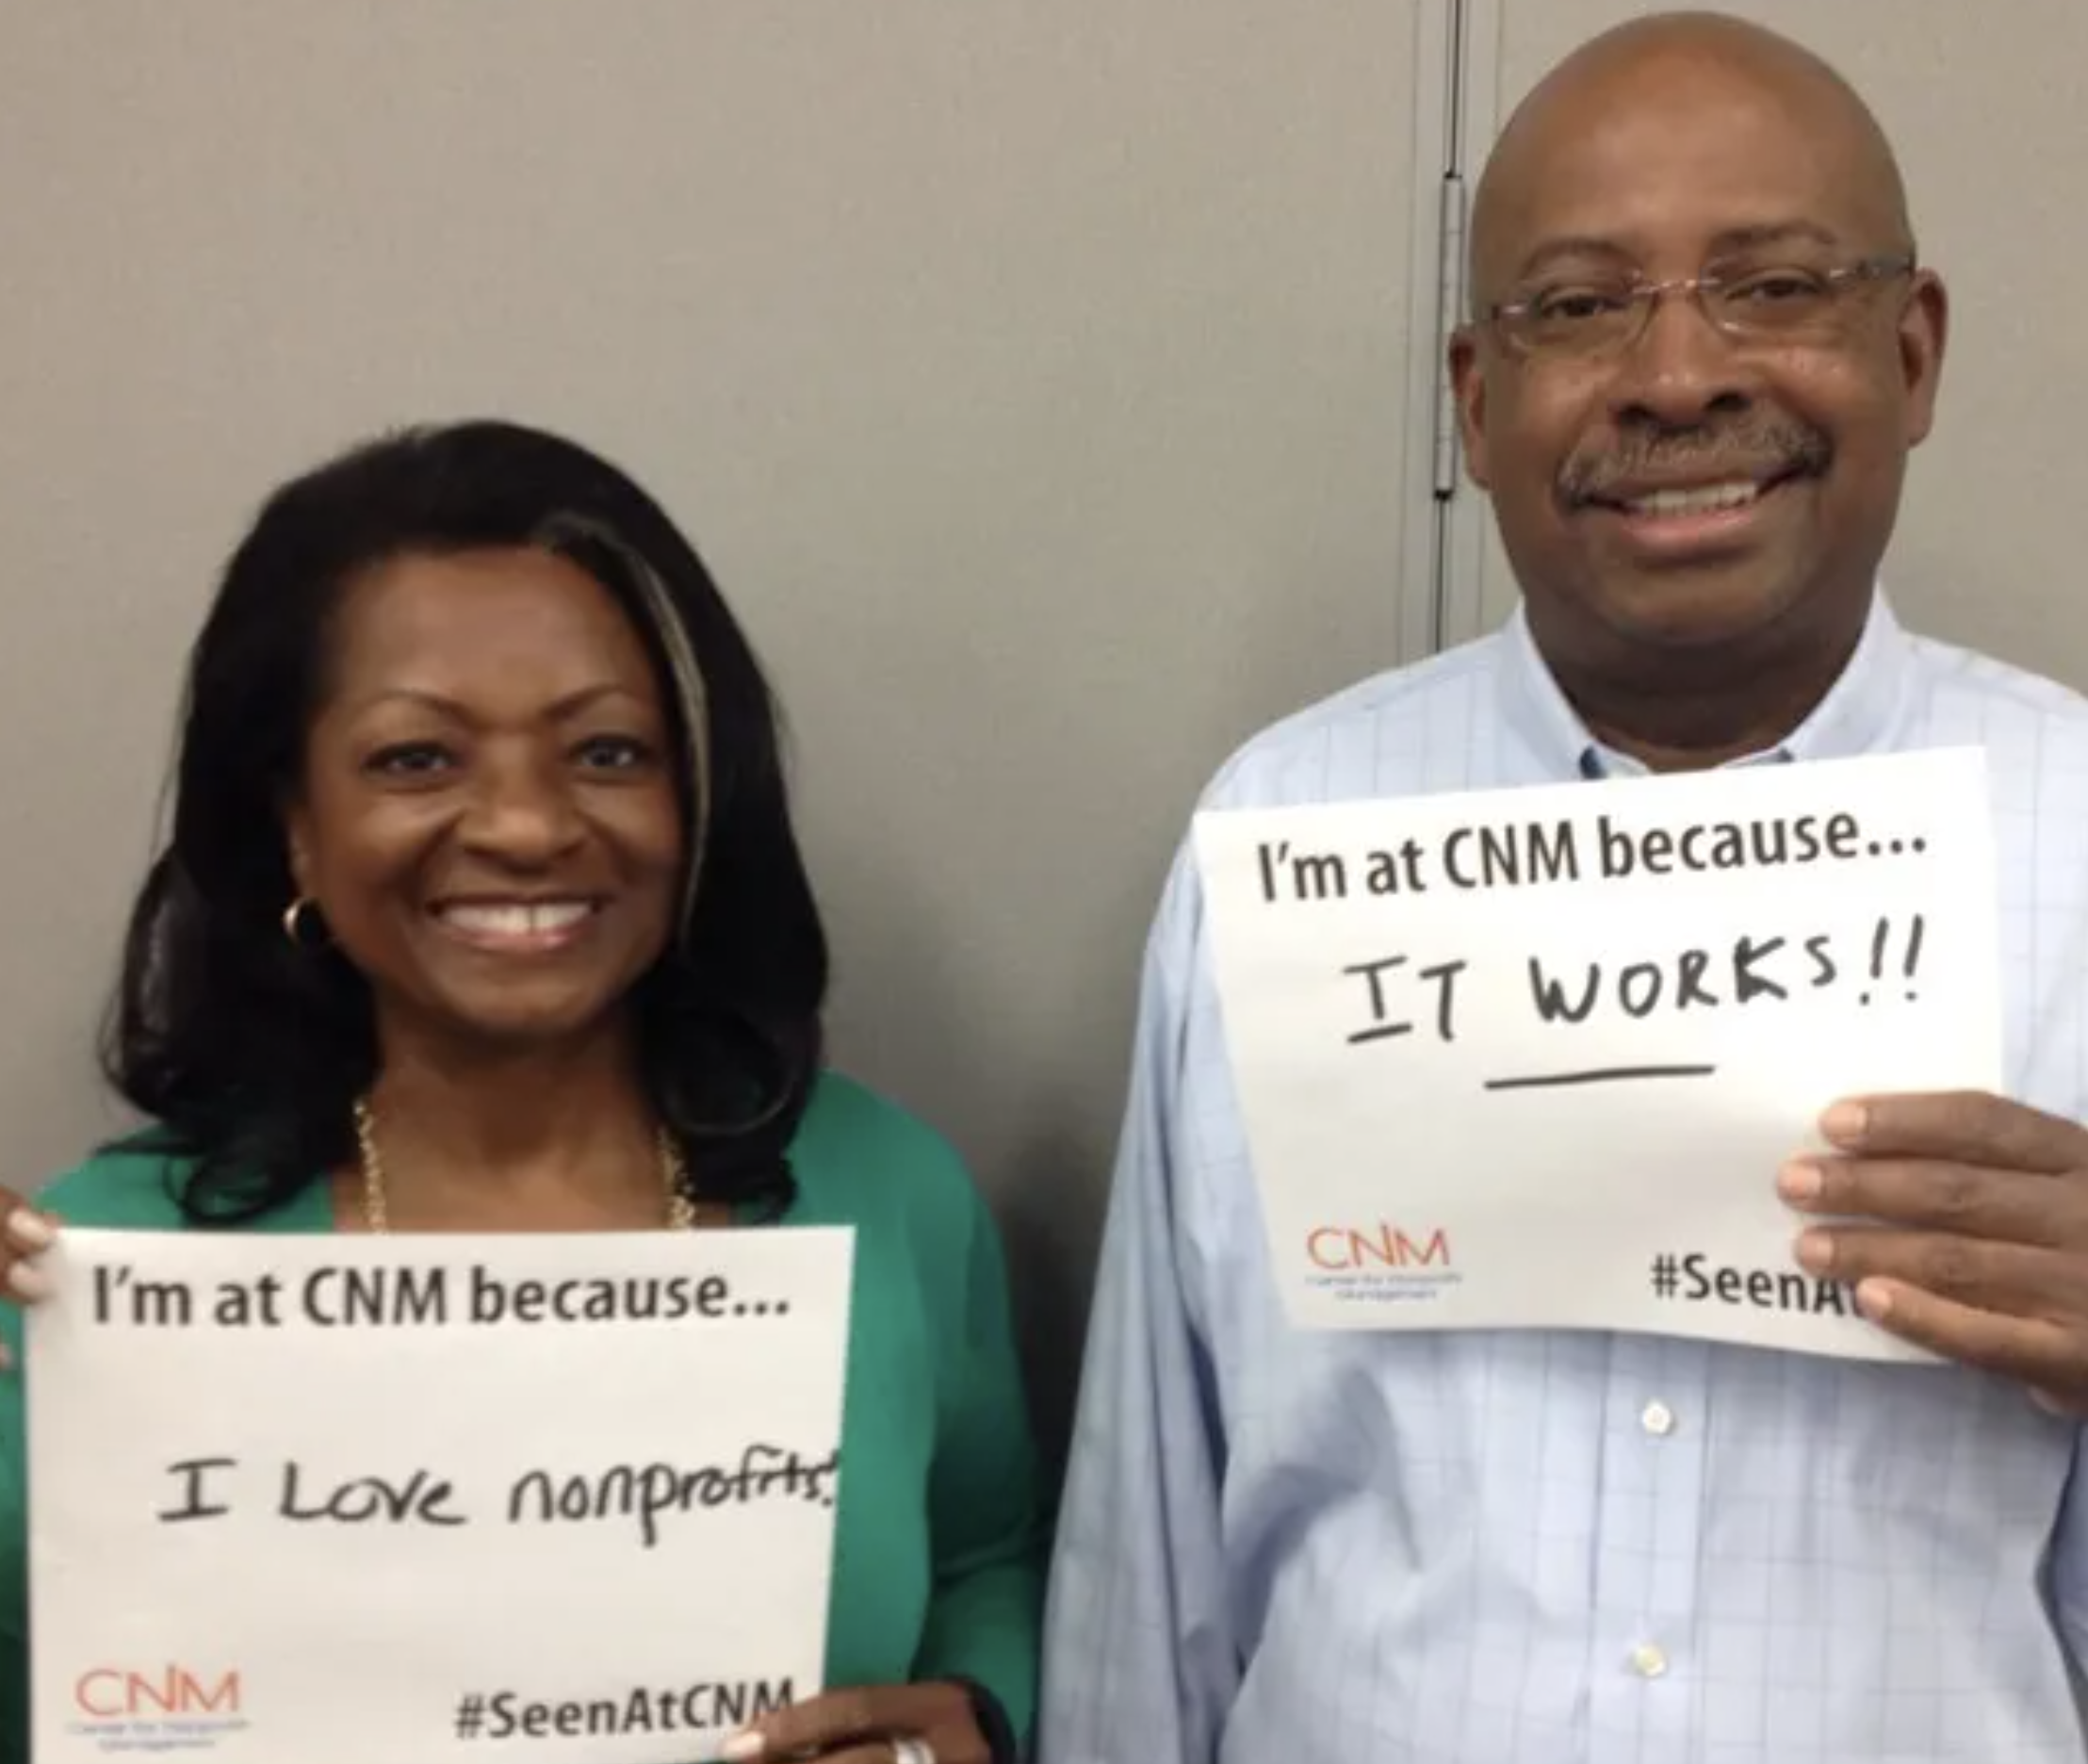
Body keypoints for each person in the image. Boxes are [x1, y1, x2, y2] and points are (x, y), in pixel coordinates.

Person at [1039, 12, 2088, 1762]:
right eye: (1581, 305)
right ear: (1475, 396)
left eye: (1773, 285)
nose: (1677, 377)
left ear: (1911, 353)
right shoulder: (1285, 840)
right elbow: (1151, 1540)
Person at [0, 419, 1044, 1764]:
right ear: (293, 822)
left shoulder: (885, 1191)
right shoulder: (99, 1264)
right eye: (416, 758)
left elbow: (988, 1560)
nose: (528, 825)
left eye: (609, 751)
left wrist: (974, 1731)